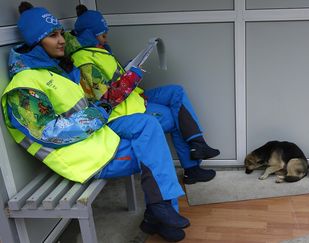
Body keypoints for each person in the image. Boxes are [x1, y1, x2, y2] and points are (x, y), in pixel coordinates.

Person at [1, 2, 187, 241]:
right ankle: (159, 210)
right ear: (35, 42)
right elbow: (50, 133)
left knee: (148, 125)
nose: (61, 40)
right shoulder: (24, 87)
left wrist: (115, 92)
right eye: (52, 36)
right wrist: (99, 112)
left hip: (95, 138)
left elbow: (87, 102)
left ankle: (158, 209)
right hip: (79, 158)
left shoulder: (55, 69)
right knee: (152, 149)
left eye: (61, 34)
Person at [64, 4, 220, 185]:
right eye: (103, 34)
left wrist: (129, 68)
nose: (106, 38)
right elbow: (104, 98)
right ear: (89, 34)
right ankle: (192, 167)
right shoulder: (83, 60)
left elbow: (113, 78)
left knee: (176, 92)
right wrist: (132, 76)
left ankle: (197, 144)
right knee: (175, 116)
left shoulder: (98, 51)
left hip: (133, 98)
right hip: (120, 112)